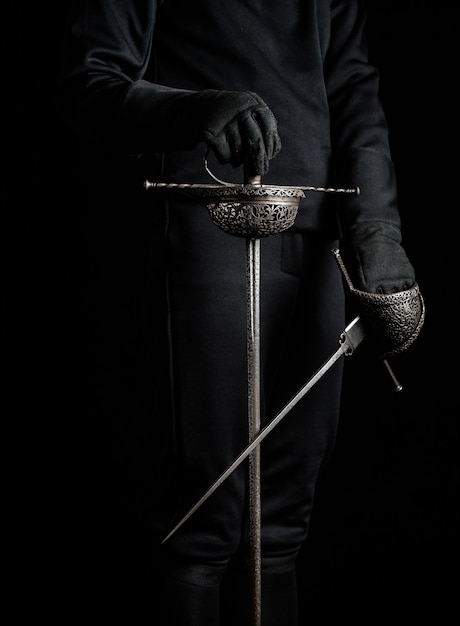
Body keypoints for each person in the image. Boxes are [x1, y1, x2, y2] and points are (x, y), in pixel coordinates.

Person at [54, 1, 424, 624]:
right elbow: (87, 81)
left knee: (280, 522)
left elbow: (355, 93)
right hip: (206, 237)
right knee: (201, 518)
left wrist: (377, 232)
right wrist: (192, 108)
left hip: (315, 243)